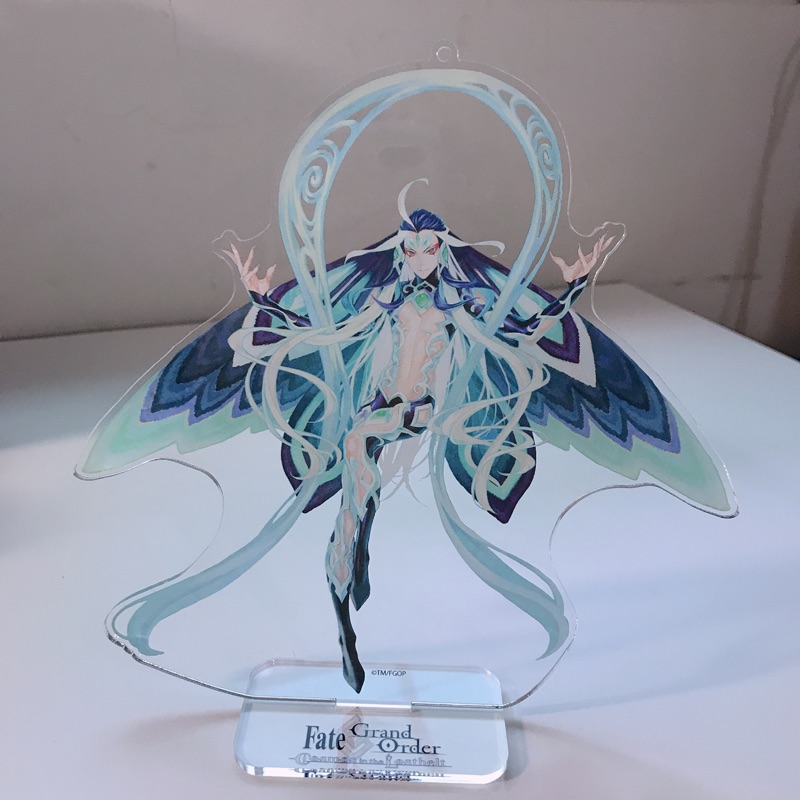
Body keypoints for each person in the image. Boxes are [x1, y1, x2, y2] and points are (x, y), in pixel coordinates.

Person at [224, 187, 615, 690]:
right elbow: (321, 331)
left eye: (428, 248)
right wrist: (259, 297)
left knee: (357, 460)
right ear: (401, 252)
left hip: (422, 410)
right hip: (379, 407)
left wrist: (575, 286)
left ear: (443, 250)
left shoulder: (459, 306)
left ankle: (349, 567)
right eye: (410, 249)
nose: (419, 257)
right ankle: (345, 583)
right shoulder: (384, 302)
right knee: (354, 481)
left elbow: (524, 331)